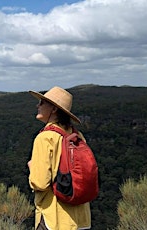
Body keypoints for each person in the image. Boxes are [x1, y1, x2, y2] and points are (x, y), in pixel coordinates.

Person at [27, 86, 91, 230]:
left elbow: (40, 183)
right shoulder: (77, 136)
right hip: (82, 219)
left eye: (42, 102)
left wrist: (32, 169)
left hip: (54, 219)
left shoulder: (45, 138)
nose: (38, 105)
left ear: (54, 109)